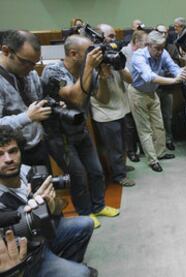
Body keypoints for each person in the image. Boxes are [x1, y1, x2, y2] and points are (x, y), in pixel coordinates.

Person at [41, 35, 119, 228]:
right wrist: (89, 68)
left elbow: (104, 98)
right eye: (89, 53)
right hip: (59, 137)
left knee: (96, 170)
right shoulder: (53, 71)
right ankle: (85, 212)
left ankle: (99, 206)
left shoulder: (89, 71)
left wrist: (102, 77)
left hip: (80, 131)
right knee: (78, 176)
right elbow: (75, 98)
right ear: (74, 54)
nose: (95, 56)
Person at [0, 125, 96, 276]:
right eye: (0, 154)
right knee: (82, 273)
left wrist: (52, 205)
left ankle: (67, 264)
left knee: (85, 224)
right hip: (26, 254)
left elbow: (58, 206)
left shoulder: (26, 170)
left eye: (13, 151)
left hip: (43, 236)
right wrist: (38, 211)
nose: (8, 159)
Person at [130, 31, 186, 172]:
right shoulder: (138, 56)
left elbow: (173, 67)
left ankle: (160, 153)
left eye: (162, 48)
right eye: (157, 48)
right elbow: (150, 77)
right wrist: (174, 80)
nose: (160, 52)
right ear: (148, 45)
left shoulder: (162, 53)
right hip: (138, 93)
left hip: (152, 93)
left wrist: (182, 74)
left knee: (159, 125)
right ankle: (152, 160)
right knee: (145, 130)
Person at [90, 23, 135, 187]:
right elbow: (102, 99)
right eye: (111, 37)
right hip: (106, 114)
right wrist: (103, 75)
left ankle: (121, 167)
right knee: (114, 148)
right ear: (98, 39)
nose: (115, 40)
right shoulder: (92, 63)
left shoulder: (114, 55)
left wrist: (119, 66)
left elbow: (131, 80)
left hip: (121, 109)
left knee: (122, 145)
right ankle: (118, 175)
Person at [0, 30, 52, 167]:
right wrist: (28, 117)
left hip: (38, 144)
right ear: (6, 51)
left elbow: (38, 99)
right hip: (10, 154)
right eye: (25, 62)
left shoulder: (30, 72)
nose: (31, 68)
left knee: (46, 187)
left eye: (34, 63)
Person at [121, 30, 148, 161]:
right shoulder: (125, 53)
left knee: (142, 122)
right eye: (145, 42)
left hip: (141, 92)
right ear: (137, 42)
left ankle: (143, 147)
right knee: (129, 125)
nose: (147, 45)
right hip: (127, 93)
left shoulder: (143, 53)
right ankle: (131, 150)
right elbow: (127, 76)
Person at [156, 24, 176, 151]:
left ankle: (169, 139)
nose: (163, 35)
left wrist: (158, 73)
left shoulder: (172, 48)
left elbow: (174, 68)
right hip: (153, 89)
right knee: (156, 118)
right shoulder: (150, 47)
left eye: (165, 33)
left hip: (167, 88)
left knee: (167, 117)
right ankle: (159, 143)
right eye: (160, 32)